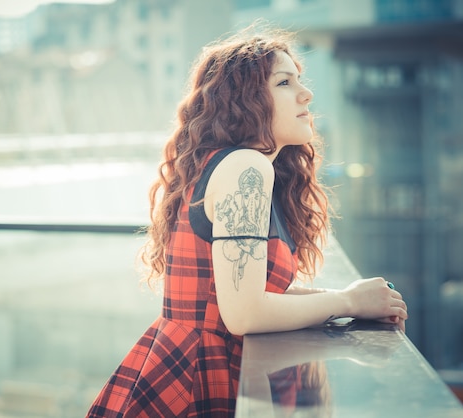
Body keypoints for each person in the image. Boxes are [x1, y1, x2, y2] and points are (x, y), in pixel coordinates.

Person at [86, 23, 408, 418]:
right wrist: (345, 301)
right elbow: (244, 313)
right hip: (199, 374)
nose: (306, 94)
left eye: (299, 80)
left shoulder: (226, 164)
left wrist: (353, 301)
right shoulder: (246, 168)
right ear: (245, 99)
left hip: (184, 360)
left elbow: (235, 296)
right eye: (285, 82)